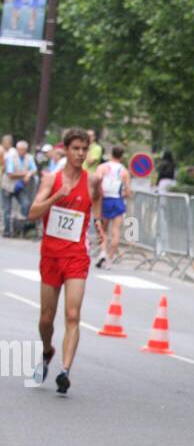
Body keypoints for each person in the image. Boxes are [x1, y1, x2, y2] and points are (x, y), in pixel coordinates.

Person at [27, 127, 102, 394]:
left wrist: (98, 223)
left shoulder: (92, 180)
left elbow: (97, 202)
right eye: (75, 149)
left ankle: (64, 371)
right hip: (50, 255)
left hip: (76, 256)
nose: (81, 154)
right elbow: (32, 213)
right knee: (46, 318)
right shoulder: (51, 179)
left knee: (73, 315)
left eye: (84, 149)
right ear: (66, 150)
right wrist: (57, 197)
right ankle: (47, 351)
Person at [94, 146, 131, 267]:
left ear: (111, 154)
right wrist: (123, 195)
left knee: (103, 230)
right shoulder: (124, 171)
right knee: (116, 231)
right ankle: (109, 259)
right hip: (117, 200)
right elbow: (128, 191)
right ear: (122, 156)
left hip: (104, 200)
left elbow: (96, 182)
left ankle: (103, 252)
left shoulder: (102, 167)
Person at [3, 139, 37, 235]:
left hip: (20, 186)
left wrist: (29, 174)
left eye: (23, 149)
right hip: (8, 186)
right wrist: (25, 174)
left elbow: (34, 169)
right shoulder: (11, 157)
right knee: (7, 209)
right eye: (20, 149)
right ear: (17, 149)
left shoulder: (29, 157)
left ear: (26, 150)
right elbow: (10, 174)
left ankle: (23, 226)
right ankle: (7, 231)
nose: (22, 151)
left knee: (26, 204)